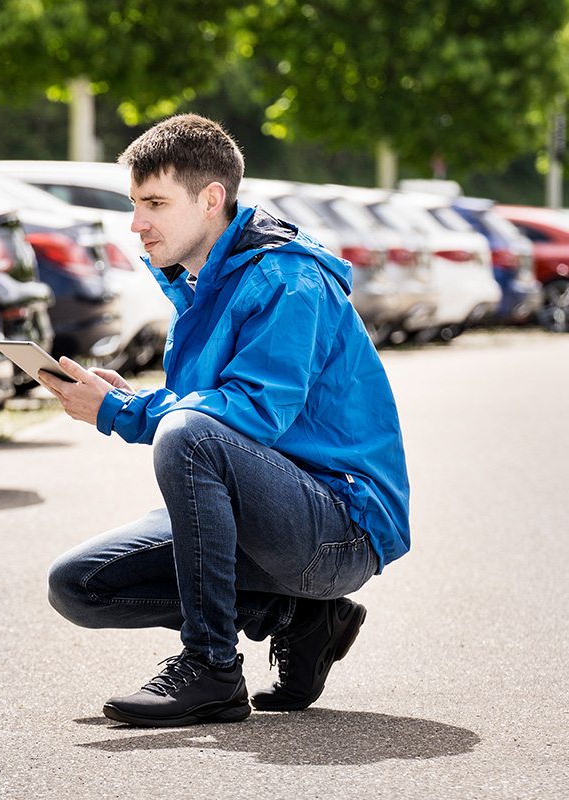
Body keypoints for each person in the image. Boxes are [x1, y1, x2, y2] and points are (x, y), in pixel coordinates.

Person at [38, 114, 410, 728]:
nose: (138, 224)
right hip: (271, 516)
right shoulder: (203, 286)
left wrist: (124, 413)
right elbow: (215, 418)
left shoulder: (288, 280)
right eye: (135, 204)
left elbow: (252, 413)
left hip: (340, 530)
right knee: (78, 584)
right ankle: (300, 618)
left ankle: (211, 668)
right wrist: (130, 399)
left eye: (155, 203)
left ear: (212, 199)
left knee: (188, 434)